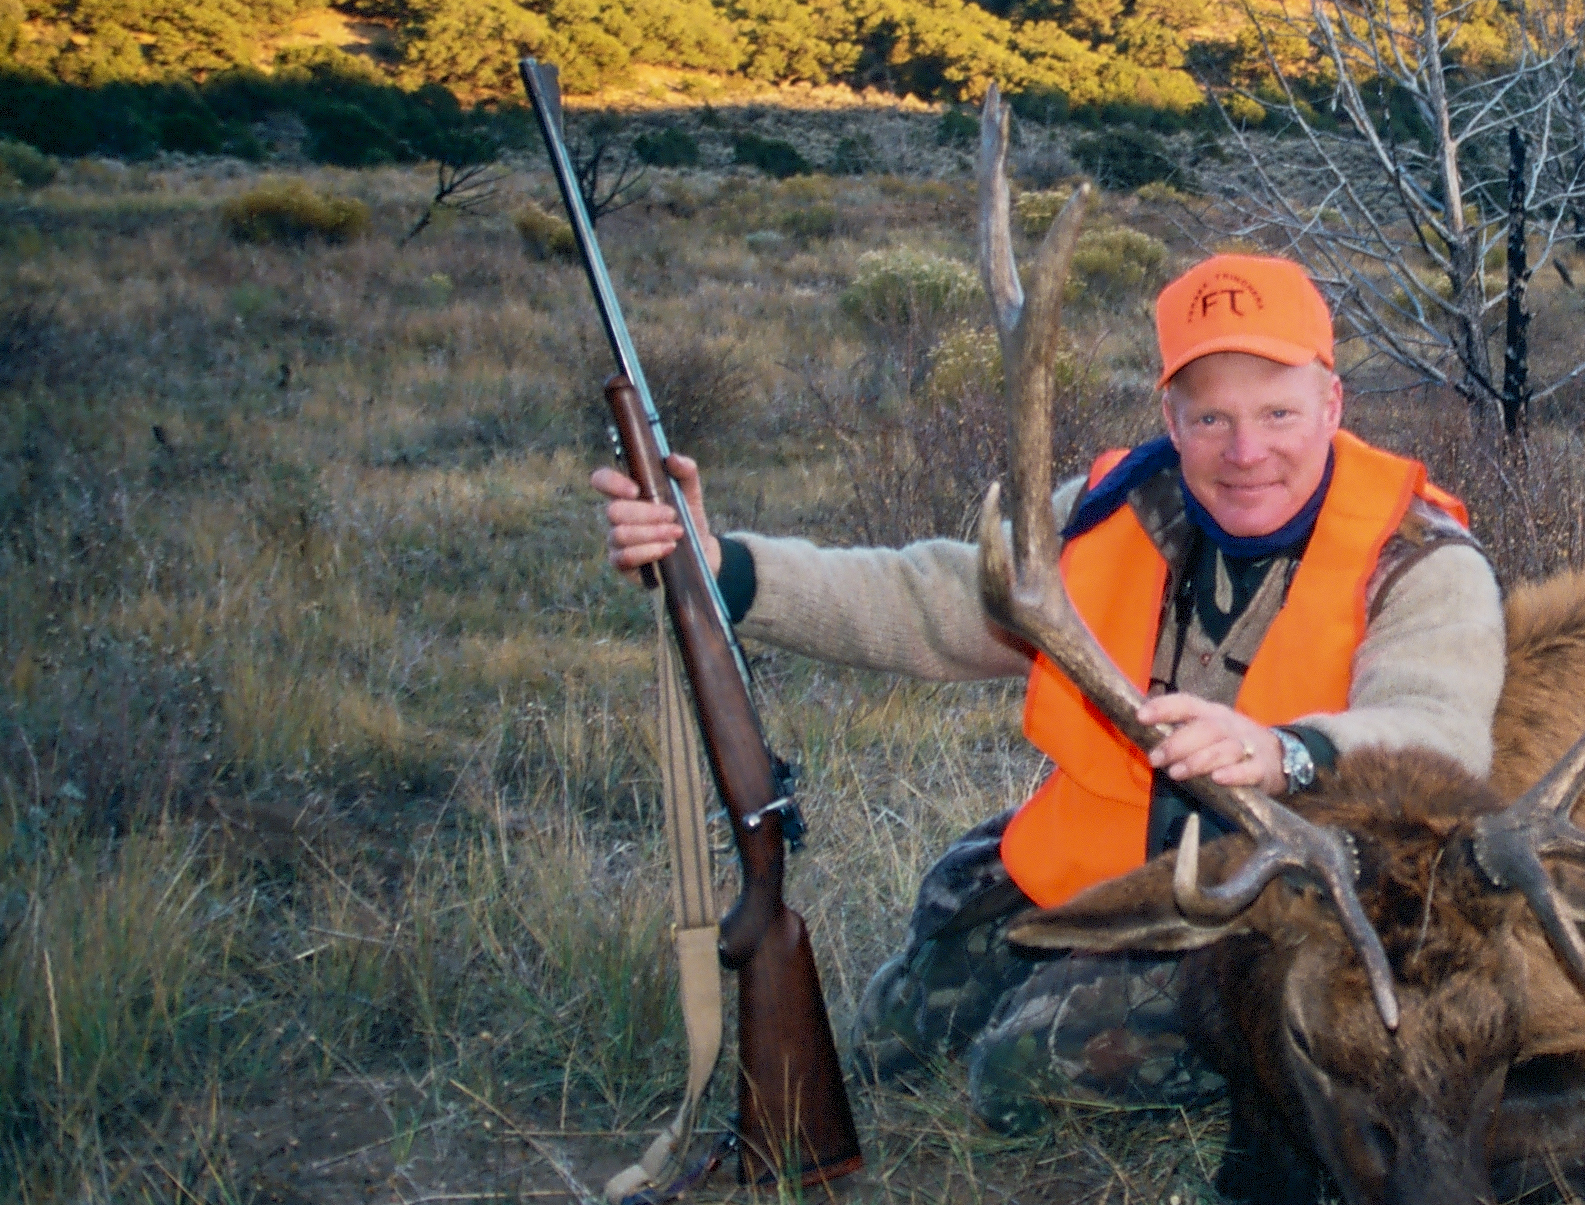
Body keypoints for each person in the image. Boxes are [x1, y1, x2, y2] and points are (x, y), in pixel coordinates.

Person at [593, 253, 1504, 1131]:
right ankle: (1073, 967)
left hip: (1285, 904)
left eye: (1277, 412)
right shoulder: (1119, 507)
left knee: (1020, 1076)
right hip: (1111, 859)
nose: (1246, 451)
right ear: (1171, 415)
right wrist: (724, 569)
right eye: (1212, 418)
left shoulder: (1417, 558)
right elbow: (934, 600)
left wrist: (1284, 750)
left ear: (1332, 402)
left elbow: (1437, 730)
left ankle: (1277, 1064)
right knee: (891, 1039)